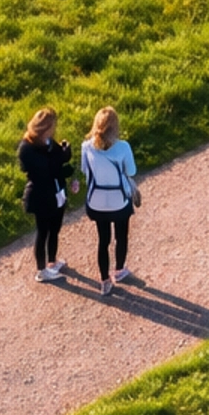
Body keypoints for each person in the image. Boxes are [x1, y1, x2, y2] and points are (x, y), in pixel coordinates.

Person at [81, 106, 139, 296]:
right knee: (121, 236)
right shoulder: (123, 147)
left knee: (103, 240)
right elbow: (131, 172)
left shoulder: (86, 147)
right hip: (119, 200)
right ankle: (120, 270)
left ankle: (104, 280)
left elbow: (85, 171)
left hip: (96, 201)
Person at [17, 106, 77, 282]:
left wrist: (65, 154)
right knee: (43, 232)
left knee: (55, 230)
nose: (54, 129)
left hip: (56, 193)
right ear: (44, 127)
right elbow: (44, 169)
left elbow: (56, 161)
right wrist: (61, 162)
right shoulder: (27, 148)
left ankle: (52, 262)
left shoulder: (49, 142)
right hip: (41, 196)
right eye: (52, 126)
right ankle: (41, 271)